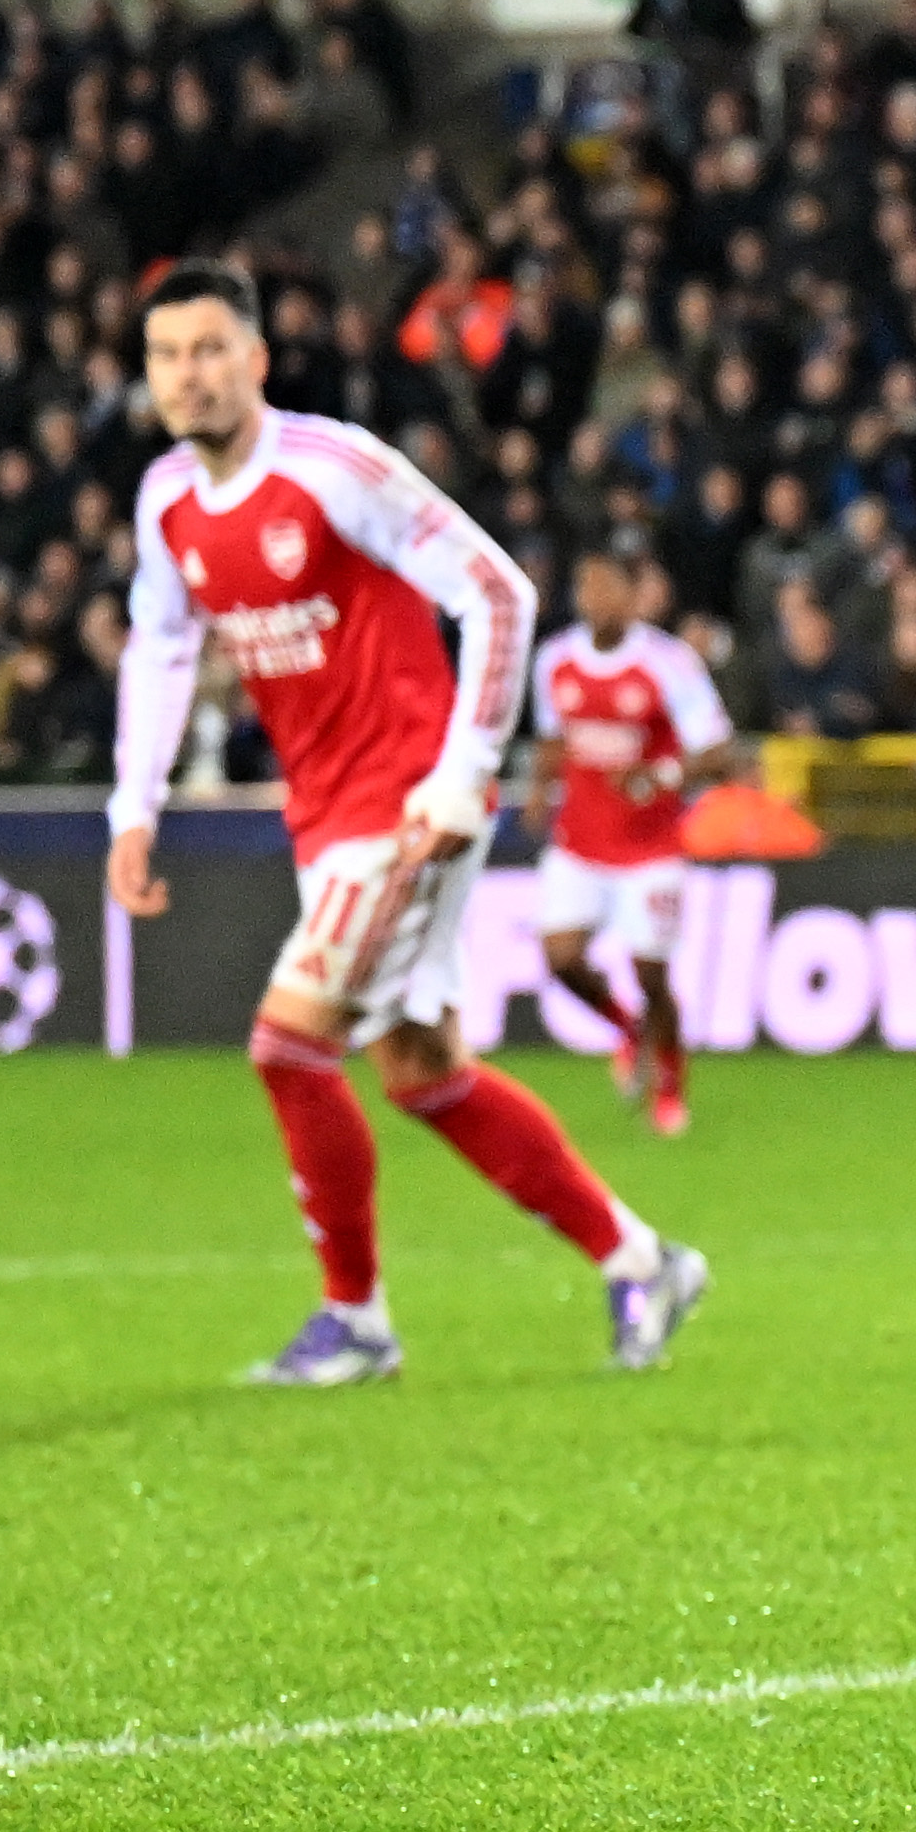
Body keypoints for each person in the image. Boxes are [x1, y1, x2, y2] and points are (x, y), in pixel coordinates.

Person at [103, 261, 709, 1387]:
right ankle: (644, 1260)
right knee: (424, 1070)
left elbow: (500, 592)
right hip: (325, 812)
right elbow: (163, 645)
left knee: (287, 1046)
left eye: (208, 349)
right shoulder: (166, 503)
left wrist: (463, 768)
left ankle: (357, 1322)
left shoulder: (335, 471)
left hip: (411, 802)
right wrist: (133, 807)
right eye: (166, 355)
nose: (188, 375)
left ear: (256, 359)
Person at [525, 548, 737, 1138]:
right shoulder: (554, 660)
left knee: (651, 973)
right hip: (579, 842)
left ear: (634, 594)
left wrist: (661, 777)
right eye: (586, 587)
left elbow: (719, 752)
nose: (595, 599)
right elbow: (550, 737)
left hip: (650, 847)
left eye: (607, 587)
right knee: (561, 958)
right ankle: (625, 1027)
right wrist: (541, 792)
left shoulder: (669, 663)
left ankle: (670, 1080)